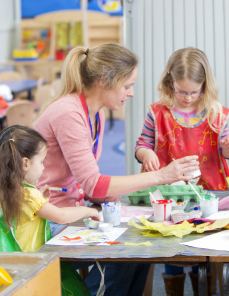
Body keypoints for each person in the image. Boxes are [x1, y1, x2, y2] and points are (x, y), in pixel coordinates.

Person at [34, 43, 200, 296]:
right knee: (128, 248)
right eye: (127, 86)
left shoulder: (94, 114)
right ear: (104, 81)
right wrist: (161, 176)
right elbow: (93, 184)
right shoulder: (68, 113)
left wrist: (109, 199)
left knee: (143, 244)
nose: (131, 93)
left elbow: (85, 184)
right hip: (47, 217)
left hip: (70, 208)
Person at [134, 47, 229, 295]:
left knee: (205, 247)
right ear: (170, 82)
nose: (188, 97)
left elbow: (227, 154)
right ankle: (174, 287)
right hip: (171, 193)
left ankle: (205, 288)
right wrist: (146, 154)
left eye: (194, 91)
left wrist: (228, 148)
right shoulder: (157, 112)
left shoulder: (215, 112)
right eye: (181, 91)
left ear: (205, 85)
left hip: (210, 192)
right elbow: (142, 145)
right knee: (174, 246)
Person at [0, 125, 99, 295]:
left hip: (11, 266)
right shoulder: (28, 194)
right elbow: (61, 216)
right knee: (70, 283)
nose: (44, 167)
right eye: (42, 161)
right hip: (28, 271)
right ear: (25, 163)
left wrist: (41, 200)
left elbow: (23, 220)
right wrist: (89, 211)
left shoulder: (7, 189)